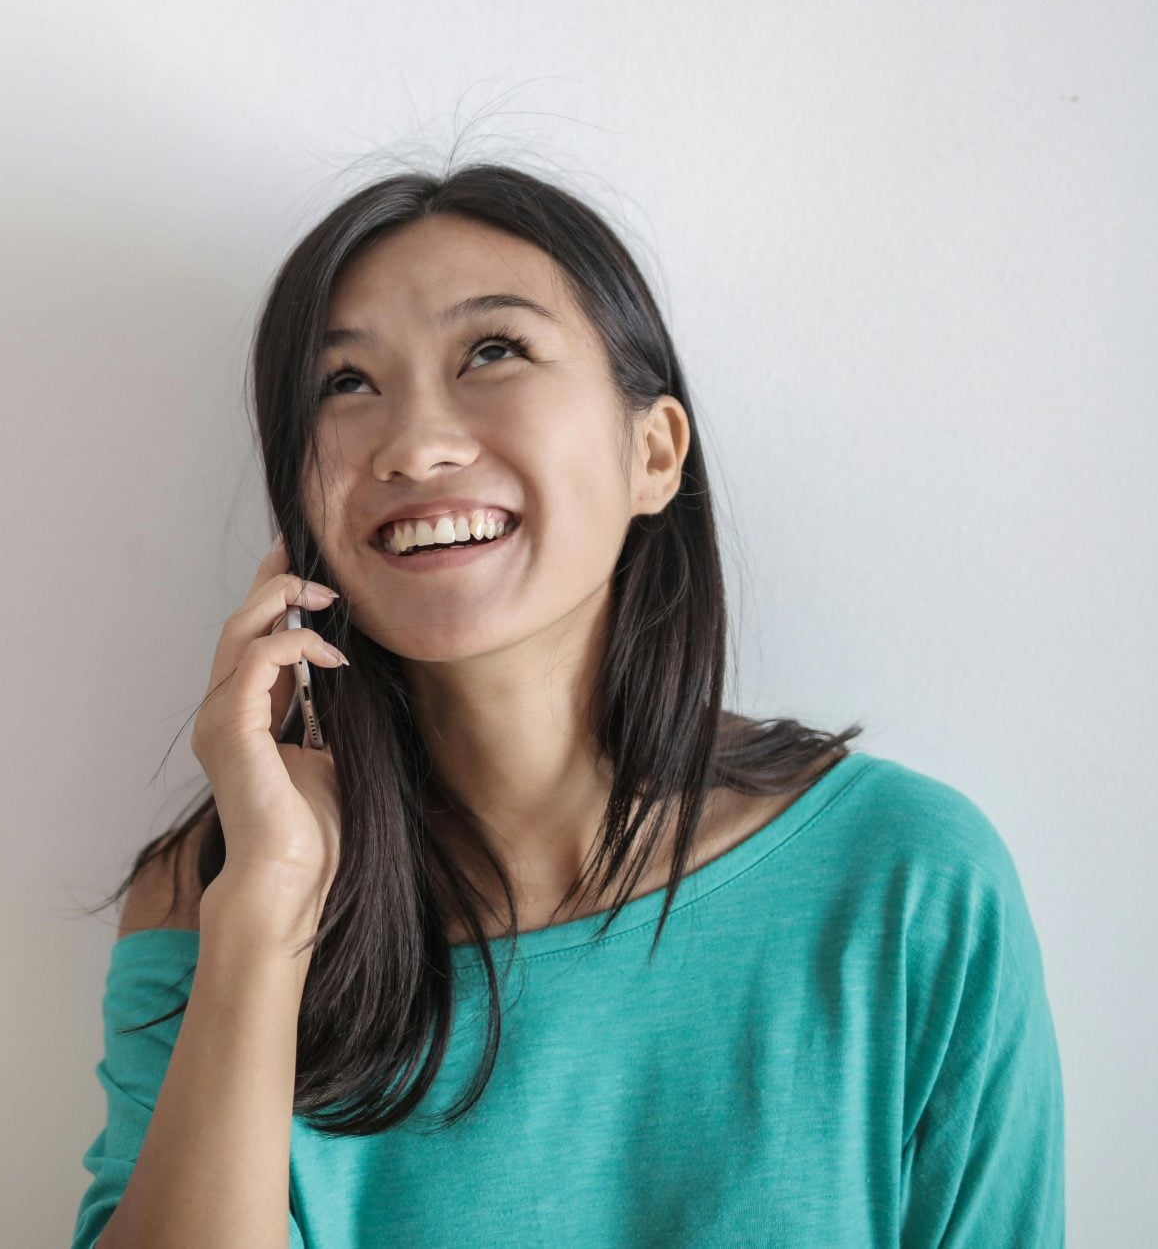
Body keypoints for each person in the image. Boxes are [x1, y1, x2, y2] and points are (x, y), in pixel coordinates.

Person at [69, 162, 1064, 1248]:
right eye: (345, 383)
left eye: (493, 351)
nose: (415, 445)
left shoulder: (905, 883)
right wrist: (268, 911)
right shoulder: (216, 895)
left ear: (653, 453)